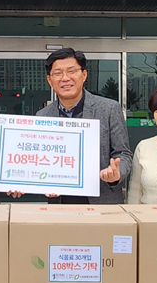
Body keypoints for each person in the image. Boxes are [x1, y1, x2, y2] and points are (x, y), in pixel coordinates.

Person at [35, 48, 132, 204]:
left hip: (102, 201)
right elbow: (38, 160)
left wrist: (116, 173)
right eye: (58, 73)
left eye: (71, 71)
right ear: (49, 80)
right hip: (60, 202)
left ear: (84, 75)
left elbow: (124, 154)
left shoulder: (109, 109)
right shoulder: (42, 116)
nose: (65, 78)